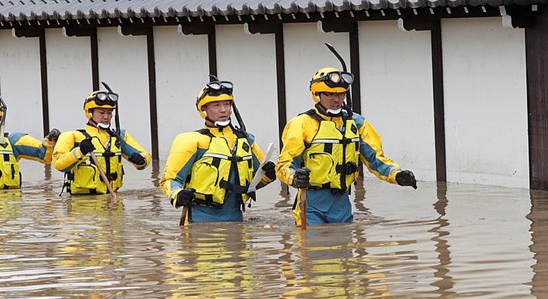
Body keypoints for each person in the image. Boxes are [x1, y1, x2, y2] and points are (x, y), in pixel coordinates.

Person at [276, 67, 417, 227]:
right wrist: (294, 178)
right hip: (311, 204)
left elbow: (375, 159)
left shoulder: (356, 123)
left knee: (344, 249)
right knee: (313, 247)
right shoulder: (301, 124)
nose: (337, 99)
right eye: (330, 94)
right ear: (317, 95)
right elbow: (284, 165)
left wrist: (397, 175)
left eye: (341, 94)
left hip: (341, 203)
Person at [160, 79, 277, 225]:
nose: (224, 110)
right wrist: (177, 195)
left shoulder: (246, 140)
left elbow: (255, 183)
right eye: (216, 105)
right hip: (199, 220)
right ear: (204, 110)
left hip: (237, 220)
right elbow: (169, 180)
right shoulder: (190, 141)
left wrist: (269, 175)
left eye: (227, 104)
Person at [52, 87, 151, 194]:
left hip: (113, 202)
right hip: (82, 204)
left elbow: (146, 156)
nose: (106, 117)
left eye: (109, 113)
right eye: (101, 112)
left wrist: (141, 161)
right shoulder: (72, 136)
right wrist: (80, 152)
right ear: (89, 113)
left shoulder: (118, 137)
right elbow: (59, 164)